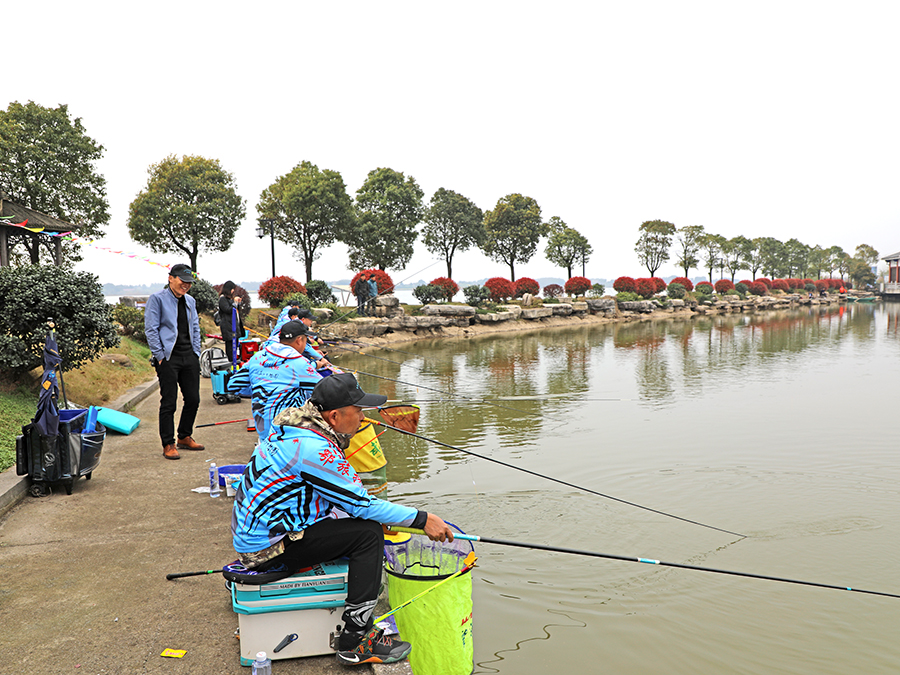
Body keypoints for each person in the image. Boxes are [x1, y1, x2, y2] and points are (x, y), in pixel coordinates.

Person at [231, 373, 453, 665]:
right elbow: (363, 504)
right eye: (358, 411)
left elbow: (331, 499)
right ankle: (354, 640)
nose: (362, 418)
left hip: (259, 534)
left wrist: (364, 515)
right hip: (266, 549)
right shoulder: (316, 450)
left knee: (362, 524)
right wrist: (423, 519)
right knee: (369, 534)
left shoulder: (294, 429)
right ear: (334, 416)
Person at [144, 263, 205, 460]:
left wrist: (196, 351)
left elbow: (195, 327)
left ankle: (184, 436)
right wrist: (160, 356)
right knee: (169, 402)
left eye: (189, 282)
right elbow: (151, 329)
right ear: (171, 278)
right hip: (169, 358)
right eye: (182, 281)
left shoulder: (190, 301)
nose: (185, 285)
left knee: (193, 399)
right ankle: (168, 443)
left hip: (189, 356)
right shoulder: (157, 299)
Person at [229, 319, 323, 441]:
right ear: (299, 340)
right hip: (289, 434)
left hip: (263, 434)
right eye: (306, 341)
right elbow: (325, 391)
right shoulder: (299, 363)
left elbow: (233, 386)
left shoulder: (257, 357)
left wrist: (260, 385)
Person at [218, 280, 244, 364]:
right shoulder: (222, 299)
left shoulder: (229, 299)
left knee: (236, 344)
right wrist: (234, 302)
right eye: (232, 289)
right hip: (228, 327)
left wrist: (238, 303)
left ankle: (235, 360)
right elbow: (228, 310)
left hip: (234, 325)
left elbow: (235, 310)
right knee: (230, 346)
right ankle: (231, 362)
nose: (233, 291)